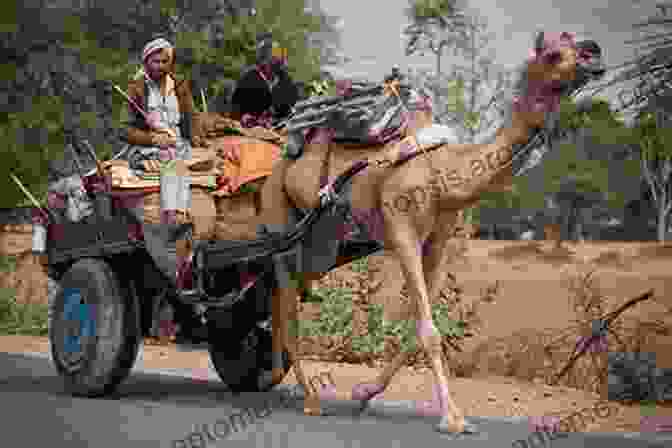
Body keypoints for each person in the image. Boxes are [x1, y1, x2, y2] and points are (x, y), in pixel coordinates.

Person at [229, 32, 299, 126]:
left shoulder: (286, 81)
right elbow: (235, 110)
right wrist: (245, 117)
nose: (281, 57)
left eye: (280, 53)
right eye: (276, 53)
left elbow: (293, 107)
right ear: (265, 58)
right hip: (254, 133)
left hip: (282, 130)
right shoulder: (248, 80)